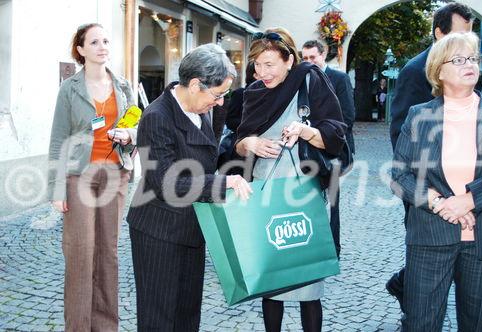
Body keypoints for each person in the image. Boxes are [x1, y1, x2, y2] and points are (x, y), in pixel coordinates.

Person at [126, 43, 252, 331]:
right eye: (218, 94)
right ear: (195, 84)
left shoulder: (202, 109)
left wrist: (243, 149)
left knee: (186, 313)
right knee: (160, 318)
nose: (220, 103)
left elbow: (208, 160)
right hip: (159, 230)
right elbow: (165, 182)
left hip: (193, 225)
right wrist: (222, 183)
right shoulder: (157, 117)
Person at [235, 28, 346, 332]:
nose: (262, 71)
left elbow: (336, 137)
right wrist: (250, 144)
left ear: (289, 60)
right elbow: (237, 140)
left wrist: (304, 131)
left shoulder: (310, 81)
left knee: (308, 284)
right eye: (256, 64)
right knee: (272, 282)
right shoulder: (254, 92)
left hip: (304, 193)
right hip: (266, 191)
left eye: (269, 64)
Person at [391, 31, 482, 331]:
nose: (470, 64)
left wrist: (470, 199)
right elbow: (399, 176)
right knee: (420, 324)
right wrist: (440, 203)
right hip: (429, 239)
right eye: (460, 59)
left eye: (474, 59)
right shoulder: (418, 115)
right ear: (439, 70)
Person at [47, 23, 137, 331]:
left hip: (115, 176)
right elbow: (59, 139)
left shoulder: (124, 87)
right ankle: (78, 326)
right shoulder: (70, 89)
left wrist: (129, 134)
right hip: (79, 178)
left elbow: (136, 124)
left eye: (106, 40)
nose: (102, 46)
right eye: (94, 42)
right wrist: (57, 189)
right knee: (80, 254)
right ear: (81, 50)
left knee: (108, 253)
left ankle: (105, 325)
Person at [386, 2, 473, 311]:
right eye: (460, 34)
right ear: (439, 33)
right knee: (427, 247)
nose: (467, 42)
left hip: (464, 184)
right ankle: (411, 296)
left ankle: (405, 284)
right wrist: (428, 186)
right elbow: (400, 134)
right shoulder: (415, 71)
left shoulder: (470, 71)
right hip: (427, 185)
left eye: (471, 35)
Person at [301, 39, 355, 258]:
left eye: (312, 57)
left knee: (332, 200)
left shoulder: (339, 78)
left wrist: (322, 135)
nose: (309, 62)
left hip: (333, 149)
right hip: (308, 148)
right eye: (304, 58)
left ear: (323, 55)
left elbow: (348, 116)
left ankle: (333, 249)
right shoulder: (301, 78)